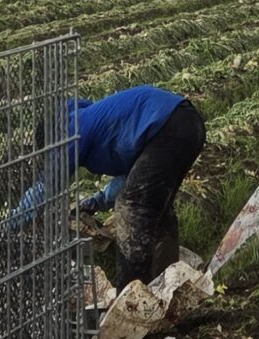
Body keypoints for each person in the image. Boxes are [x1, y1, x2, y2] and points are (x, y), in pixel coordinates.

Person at [72, 86, 205, 288]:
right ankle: (167, 285)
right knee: (157, 210)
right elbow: (133, 176)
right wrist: (98, 200)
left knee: (133, 209)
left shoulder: (72, 132)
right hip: (187, 124)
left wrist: (11, 223)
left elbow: (42, 190)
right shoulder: (103, 124)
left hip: (169, 129)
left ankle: (132, 294)